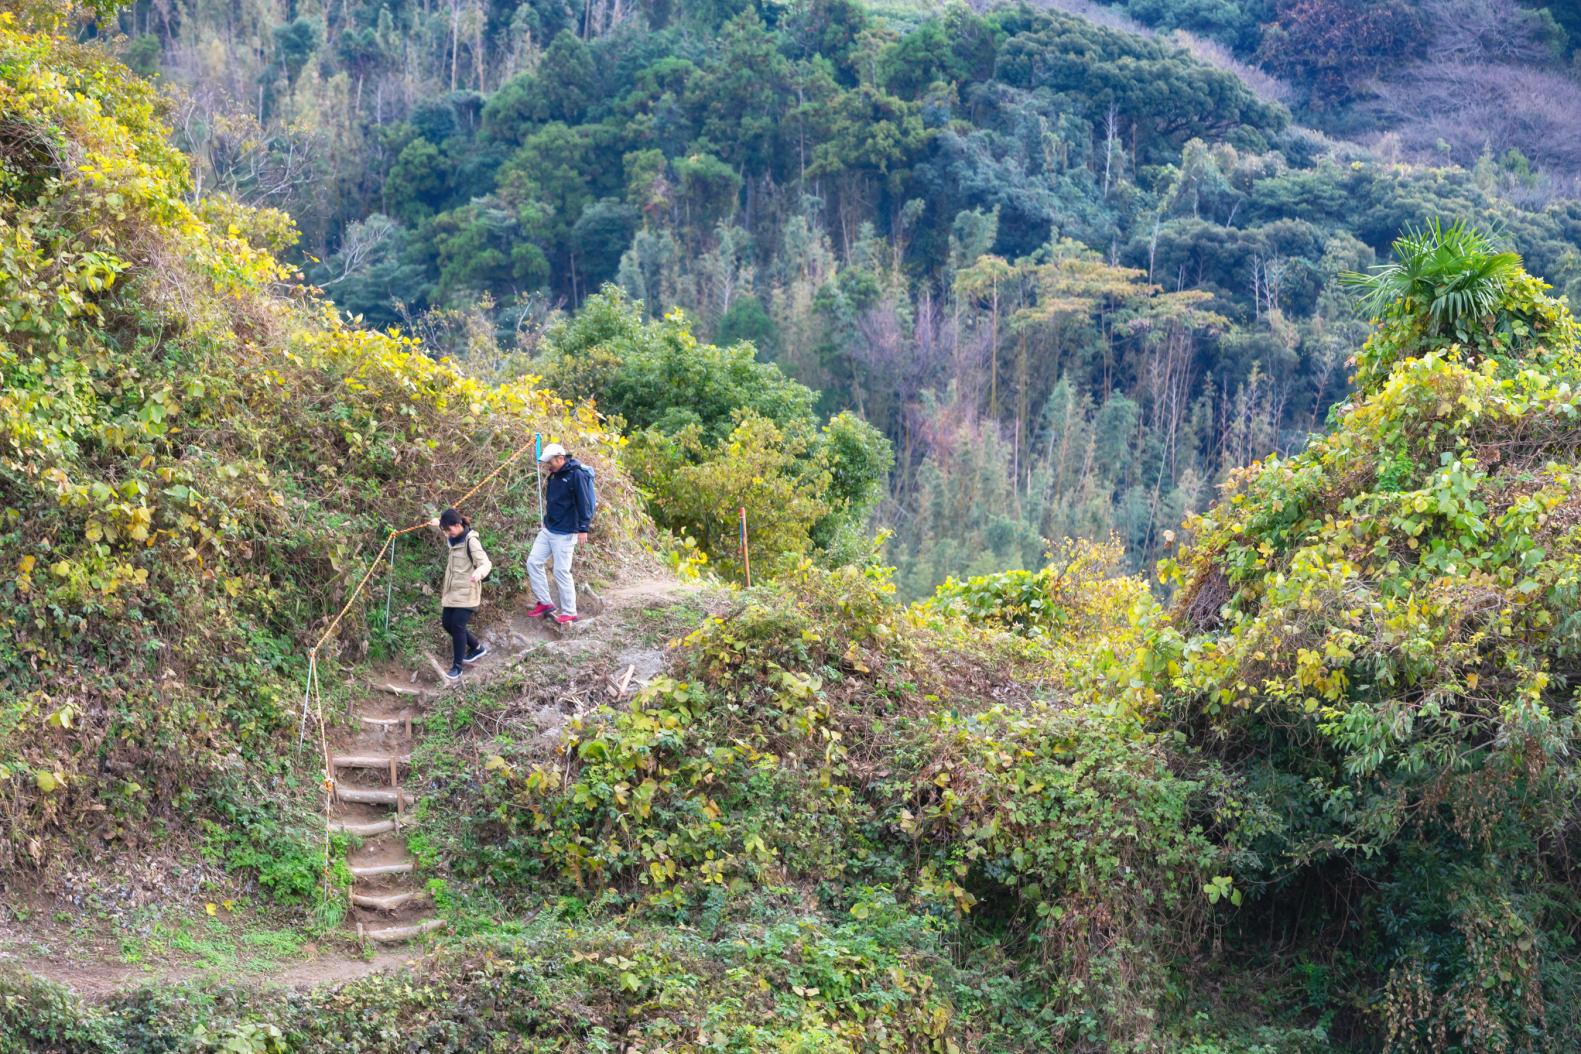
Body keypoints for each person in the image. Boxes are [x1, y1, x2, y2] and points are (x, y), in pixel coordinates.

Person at [525, 442, 595, 625]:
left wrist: (583, 528)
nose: (549, 465)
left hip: (566, 532)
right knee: (533, 562)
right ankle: (546, 602)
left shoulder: (576, 474)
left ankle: (570, 611)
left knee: (561, 571)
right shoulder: (555, 475)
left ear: (561, 458)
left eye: (551, 461)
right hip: (549, 528)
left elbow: (584, 502)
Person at [428, 507, 492, 681]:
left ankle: (457, 667)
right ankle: (477, 648)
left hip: (468, 592)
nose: (447, 534)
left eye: (448, 530)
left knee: (457, 626)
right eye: (445, 531)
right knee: (447, 624)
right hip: (452, 591)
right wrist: (437, 524)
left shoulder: (471, 542)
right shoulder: (454, 537)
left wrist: (479, 572)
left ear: (457, 525)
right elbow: (446, 534)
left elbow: (486, 563)